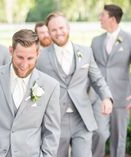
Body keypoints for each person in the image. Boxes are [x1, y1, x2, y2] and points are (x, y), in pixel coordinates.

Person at [0, 29, 61, 157]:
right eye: (20, 57)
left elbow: (52, 132)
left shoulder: (50, 86)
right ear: (11, 51)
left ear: (38, 54)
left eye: (30, 58)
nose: (24, 64)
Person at [37, 12, 113, 157]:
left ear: (68, 27)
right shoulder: (41, 57)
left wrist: (106, 97)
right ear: (49, 32)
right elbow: (36, 86)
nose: (58, 32)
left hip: (82, 118)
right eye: (54, 30)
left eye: (61, 28)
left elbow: (97, 79)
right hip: (55, 120)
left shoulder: (85, 52)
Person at [91, 4, 131, 157]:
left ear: (112, 19)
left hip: (122, 96)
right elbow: (90, 68)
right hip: (99, 97)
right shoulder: (95, 41)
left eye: (103, 15)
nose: (100, 18)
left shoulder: (129, 39)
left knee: (119, 137)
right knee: (99, 133)